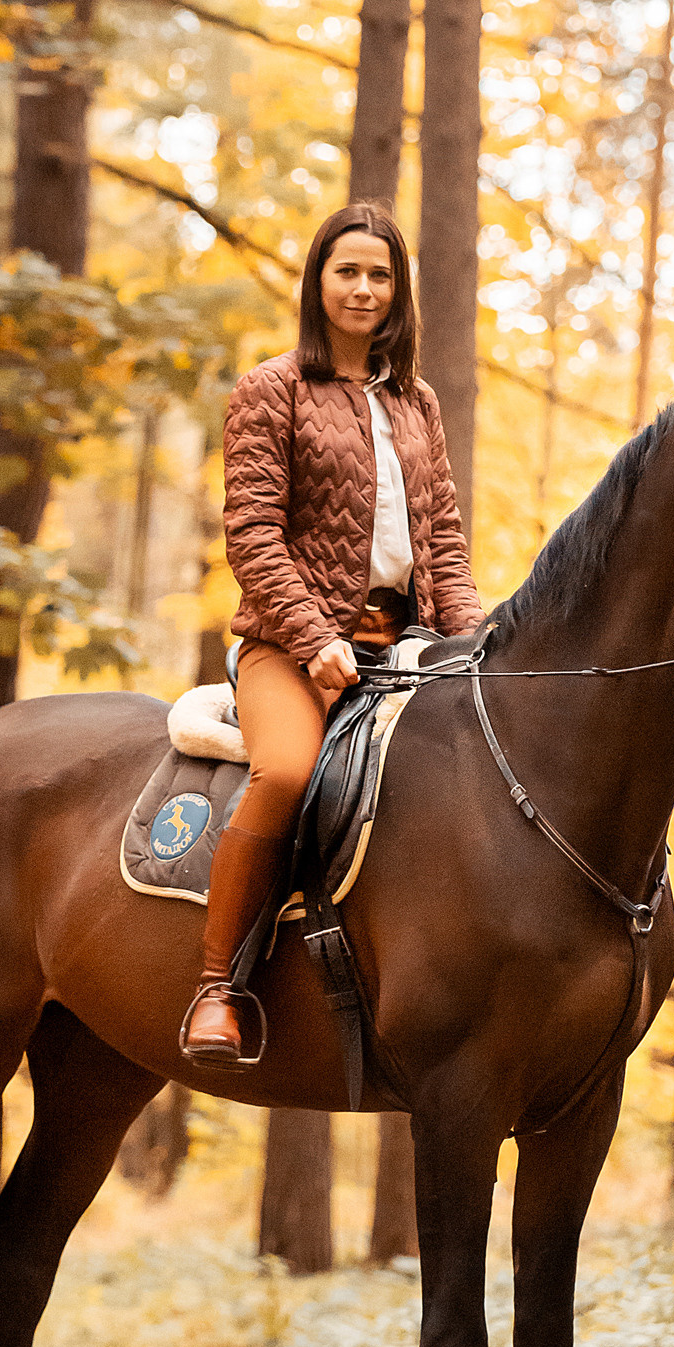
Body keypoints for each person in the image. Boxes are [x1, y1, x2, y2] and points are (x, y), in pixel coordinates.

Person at [181, 201, 485, 1066]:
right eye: (346, 270)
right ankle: (218, 990)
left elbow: (445, 542)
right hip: (289, 644)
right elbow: (251, 534)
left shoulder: (415, 401)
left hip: (407, 645)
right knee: (287, 773)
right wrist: (314, 637)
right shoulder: (270, 390)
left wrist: (470, 645)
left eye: (379, 275)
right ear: (318, 283)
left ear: (399, 294)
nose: (363, 288)